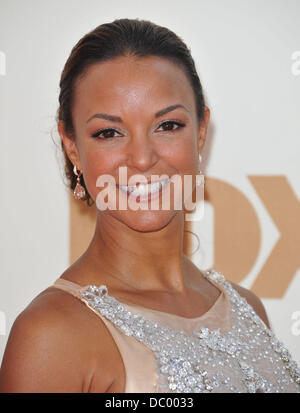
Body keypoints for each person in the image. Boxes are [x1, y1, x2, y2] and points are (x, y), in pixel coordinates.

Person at [0, 18, 299, 393]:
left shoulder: (249, 309)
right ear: (72, 145)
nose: (142, 159)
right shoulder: (52, 337)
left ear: (201, 131)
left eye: (168, 125)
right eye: (109, 132)